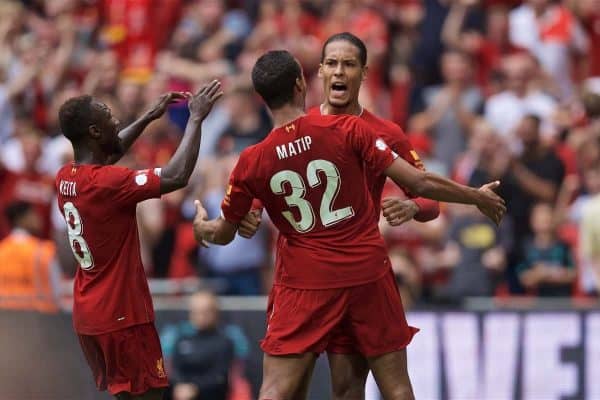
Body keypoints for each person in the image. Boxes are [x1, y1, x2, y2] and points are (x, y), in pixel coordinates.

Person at [192, 49, 505, 400]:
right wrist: (475, 196)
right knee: (395, 388)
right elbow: (419, 183)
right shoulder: (349, 129)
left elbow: (223, 231)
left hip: (304, 281)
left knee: (279, 389)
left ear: (260, 97)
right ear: (302, 83)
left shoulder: (250, 160)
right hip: (365, 273)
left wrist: (203, 227)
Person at [239, 32, 442, 400]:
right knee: (293, 387)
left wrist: (413, 206)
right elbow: (260, 181)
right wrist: (249, 213)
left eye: (349, 64)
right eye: (332, 63)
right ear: (318, 73)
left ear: (364, 72)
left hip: (359, 273)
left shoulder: (386, 132)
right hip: (305, 278)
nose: (339, 71)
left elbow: (430, 201)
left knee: (348, 388)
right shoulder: (301, 126)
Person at [55, 81, 223, 400]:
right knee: (150, 395)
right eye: (107, 113)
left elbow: (110, 150)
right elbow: (176, 176)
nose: (115, 117)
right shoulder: (109, 182)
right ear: (93, 130)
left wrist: (148, 117)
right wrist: (197, 119)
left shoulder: (65, 177)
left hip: (90, 312)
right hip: (121, 314)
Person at [0, 200, 60, 313]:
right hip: (40, 321)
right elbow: (57, 292)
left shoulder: (1, 251)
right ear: (21, 219)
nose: (38, 218)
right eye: (33, 214)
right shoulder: (44, 252)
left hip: (4, 322)